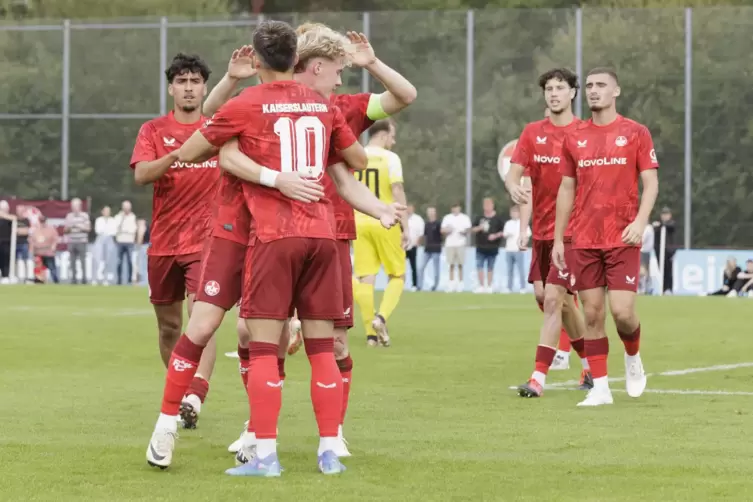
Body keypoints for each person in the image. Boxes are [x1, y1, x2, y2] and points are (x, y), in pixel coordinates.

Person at [167, 19, 392, 477]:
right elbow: (357, 162)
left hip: (273, 235)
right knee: (323, 348)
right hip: (324, 235)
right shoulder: (323, 106)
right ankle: (330, 450)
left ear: (257, 57)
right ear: (297, 60)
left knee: (262, 346)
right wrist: (379, 208)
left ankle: (265, 455)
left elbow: (195, 148)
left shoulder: (248, 102)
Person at [553, 67, 659, 407]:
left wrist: (641, 221)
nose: (593, 91)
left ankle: (632, 356)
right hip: (583, 238)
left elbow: (651, 183)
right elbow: (566, 188)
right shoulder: (574, 136)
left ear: (616, 91)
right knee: (594, 314)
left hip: (623, 237)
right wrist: (558, 239)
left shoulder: (636, 133)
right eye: (589, 86)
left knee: (623, 313)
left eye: (600, 85)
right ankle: (600, 388)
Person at [130, 53, 221, 430]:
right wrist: (177, 155)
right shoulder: (152, 130)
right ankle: (181, 390)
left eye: (195, 81)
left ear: (204, 88)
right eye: (182, 81)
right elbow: (142, 175)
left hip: (206, 242)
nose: (188, 88)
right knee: (169, 328)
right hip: (164, 243)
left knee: (204, 318)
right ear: (171, 88)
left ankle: (195, 393)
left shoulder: (216, 129)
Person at [506, 68, 592, 397]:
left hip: (572, 232)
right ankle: (590, 367)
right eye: (549, 89)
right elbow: (514, 173)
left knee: (555, 299)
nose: (553, 93)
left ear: (572, 93)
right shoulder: (531, 133)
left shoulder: (585, 133)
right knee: (554, 301)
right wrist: (513, 187)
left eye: (560, 88)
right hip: (542, 232)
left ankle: (537, 379)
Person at [352, 118, 410, 347]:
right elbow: (397, 190)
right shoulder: (390, 158)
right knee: (397, 275)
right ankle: (381, 317)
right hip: (385, 219)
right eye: (392, 136)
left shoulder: (357, 155)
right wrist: (405, 224)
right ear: (384, 135)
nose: (393, 141)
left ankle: (370, 336)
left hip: (360, 220)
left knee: (366, 277)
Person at [471, 197, 503, 293]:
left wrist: (495, 236)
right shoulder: (479, 218)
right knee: (479, 266)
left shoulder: (498, 219)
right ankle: (481, 286)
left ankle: (489, 286)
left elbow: (503, 232)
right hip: (480, 246)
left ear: (493, 205)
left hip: (493, 247)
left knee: (490, 267)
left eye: (489, 204)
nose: (487, 207)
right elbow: (472, 229)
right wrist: (479, 228)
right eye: (485, 205)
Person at [441, 202, 471, 292]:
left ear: (460, 208)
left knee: (460, 264)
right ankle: (451, 283)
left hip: (460, 243)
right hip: (450, 244)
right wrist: (448, 230)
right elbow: (442, 230)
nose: (455, 209)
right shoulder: (447, 218)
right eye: (454, 208)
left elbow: (468, 229)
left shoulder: (465, 218)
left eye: (457, 207)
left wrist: (464, 232)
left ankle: (460, 283)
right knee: (451, 264)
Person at [501, 205, 529, 293]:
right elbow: (504, 234)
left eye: (516, 212)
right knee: (509, 269)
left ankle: (523, 287)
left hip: (518, 249)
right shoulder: (508, 223)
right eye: (513, 213)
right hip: (509, 249)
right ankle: (509, 287)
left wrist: (523, 243)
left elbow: (528, 234)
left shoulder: (523, 223)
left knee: (520, 269)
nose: (514, 214)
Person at [63, 198, 90, 284]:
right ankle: (73, 279)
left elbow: (88, 228)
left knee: (83, 261)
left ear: (80, 206)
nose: (74, 208)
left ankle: (84, 279)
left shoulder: (85, 216)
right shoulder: (69, 216)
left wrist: (79, 226)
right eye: (73, 206)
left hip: (82, 241)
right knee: (72, 261)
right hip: (72, 241)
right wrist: (70, 227)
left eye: (76, 206)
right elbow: (65, 230)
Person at [113, 201, 138, 285]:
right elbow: (116, 229)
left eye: (128, 207)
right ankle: (119, 280)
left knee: (130, 261)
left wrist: (125, 230)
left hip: (129, 242)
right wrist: (122, 219)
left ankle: (129, 280)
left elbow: (133, 229)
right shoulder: (118, 217)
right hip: (120, 241)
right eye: (125, 207)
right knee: (119, 261)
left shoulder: (133, 217)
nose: (127, 209)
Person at [652, 206, 676, 294]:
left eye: (667, 214)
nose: (665, 216)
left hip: (669, 252)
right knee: (661, 270)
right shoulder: (657, 225)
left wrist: (661, 225)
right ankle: (663, 288)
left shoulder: (671, 224)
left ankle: (669, 289)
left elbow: (671, 227)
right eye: (663, 214)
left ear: (670, 215)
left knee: (669, 270)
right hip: (659, 251)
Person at [30, 215, 59, 283]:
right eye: (41, 221)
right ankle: (40, 280)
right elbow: (32, 240)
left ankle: (55, 281)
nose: (42, 223)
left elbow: (55, 239)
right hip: (38, 252)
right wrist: (32, 249)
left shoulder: (51, 229)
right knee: (39, 268)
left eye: (43, 221)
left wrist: (53, 246)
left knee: (52, 268)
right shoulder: (36, 229)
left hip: (48, 252)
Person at [420, 206, 442, 291]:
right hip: (427, 249)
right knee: (421, 267)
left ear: (435, 213)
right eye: (429, 212)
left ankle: (435, 286)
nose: (430, 213)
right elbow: (425, 236)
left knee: (436, 269)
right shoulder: (426, 224)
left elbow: (441, 235)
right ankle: (419, 286)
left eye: (432, 212)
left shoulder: (438, 224)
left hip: (436, 249)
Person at [93, 206, 116, 285]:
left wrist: (106, 231)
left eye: (108, 211)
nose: (107, 212)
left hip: (109, 239)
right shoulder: (99, 220)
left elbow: (113, 231)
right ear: (102, 212)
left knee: (107, 260)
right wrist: (106, 231)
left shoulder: (112, 220)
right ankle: (95, 279)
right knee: (97, 259)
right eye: (105, 211)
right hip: (100, 239)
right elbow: (98, 230)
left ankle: (105, 279)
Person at [406, 204, 425, 291]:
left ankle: (414, 285)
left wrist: (417, 243)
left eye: (410, 208)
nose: (409, 210)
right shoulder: (402, 218)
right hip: (402, 246)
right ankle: (398, 284)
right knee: (399, 266)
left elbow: (421, 233)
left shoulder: (418, 219)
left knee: (413, 266)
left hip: (413, 246)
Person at [14, 206, 31, 281]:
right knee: (14, 261)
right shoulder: (14, 219)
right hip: (14, 243)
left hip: (24, 243)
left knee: (25, 260)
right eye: (18, 210)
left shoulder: (26, 220)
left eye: (21, 211)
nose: (19, 212)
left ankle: (26, 277)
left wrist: (17, 231)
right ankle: (15, 276)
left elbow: (26, 231)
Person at [0, 200, 14, 281]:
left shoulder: (9, 218)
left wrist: (4, 215)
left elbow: (14, 218)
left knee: (5, 260)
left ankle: (5, 276)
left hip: (6, 242)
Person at [640, 222, 655, 294]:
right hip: (644, 251)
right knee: (645, 270)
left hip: (643, 251)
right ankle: (647, 288)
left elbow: (642, 240)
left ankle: (644, 288)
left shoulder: (648, 228)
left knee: (643, 271)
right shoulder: (647, 227)